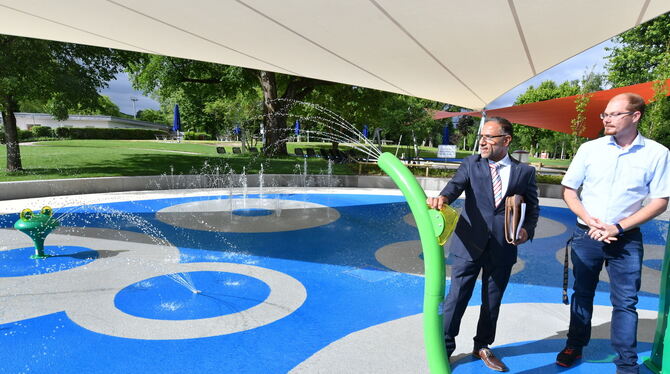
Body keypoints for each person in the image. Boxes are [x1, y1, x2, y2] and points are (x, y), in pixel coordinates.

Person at [556, 93, 670, 374]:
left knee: (626, 302)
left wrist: (617, 227)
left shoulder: (657, 153)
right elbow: (569, 190)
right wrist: (590, 220)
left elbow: (660, 200)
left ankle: (627, 363)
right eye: (604, 114)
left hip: (626, 239)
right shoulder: (589, 149)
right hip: (587, 235)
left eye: (614, 114)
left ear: (635, 116)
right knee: (582, 294)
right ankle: (574, 344)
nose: (606, 119)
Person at [427, 117, 539, 372]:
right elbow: (454, 187)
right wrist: (443, 197)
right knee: (456, 298)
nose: (483, 142)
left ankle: (483, 346)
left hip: (503, 246)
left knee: (493, 300)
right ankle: (445, 348)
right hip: (469, 243)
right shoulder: (470, 164)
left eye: (490, 137)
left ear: (506, 140)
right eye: (482, 138)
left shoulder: (525, 172)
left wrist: (526, 230)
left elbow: (532, 207)